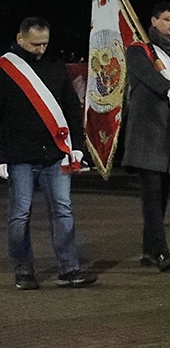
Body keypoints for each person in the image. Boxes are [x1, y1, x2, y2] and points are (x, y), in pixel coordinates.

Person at [0, 17, 97, 290]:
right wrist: (1, 157)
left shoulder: (56, 68)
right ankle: (23, 270)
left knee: (63, 211)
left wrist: (77, 146)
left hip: (55, 154)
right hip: (19, 156)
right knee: (19, 215)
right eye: (35, 44)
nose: (41, 49)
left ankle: (69, 268)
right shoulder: (5, 70)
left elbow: (70, 108)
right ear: (20, 39)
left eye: (45, 43)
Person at [122, 2, 170, 272]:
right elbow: (147, 76)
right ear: (153, 21)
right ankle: (161, 251)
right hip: (147, 136)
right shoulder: (138, 51)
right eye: (167, 19)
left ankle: (149, 251)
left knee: (161, 198)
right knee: (152, 199)